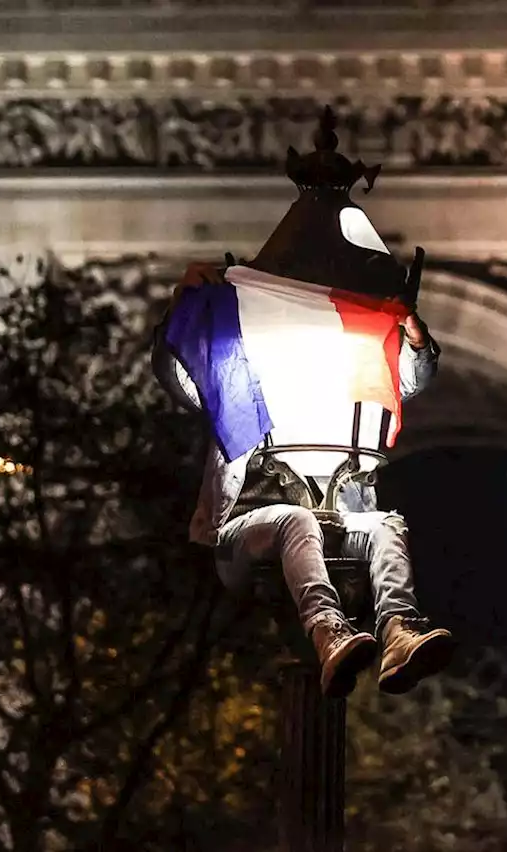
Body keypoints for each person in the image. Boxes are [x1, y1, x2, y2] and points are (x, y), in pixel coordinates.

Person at [153, 260, 455, 700]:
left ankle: (398, 632)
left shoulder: (346, 373)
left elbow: (402, 375)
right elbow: (176, 365)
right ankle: (326, 631)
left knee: (386, 524)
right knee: (296, 520)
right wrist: (183, 303)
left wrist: (414, 340)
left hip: (335, 520)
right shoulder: (239, 372)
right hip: (239, 531)